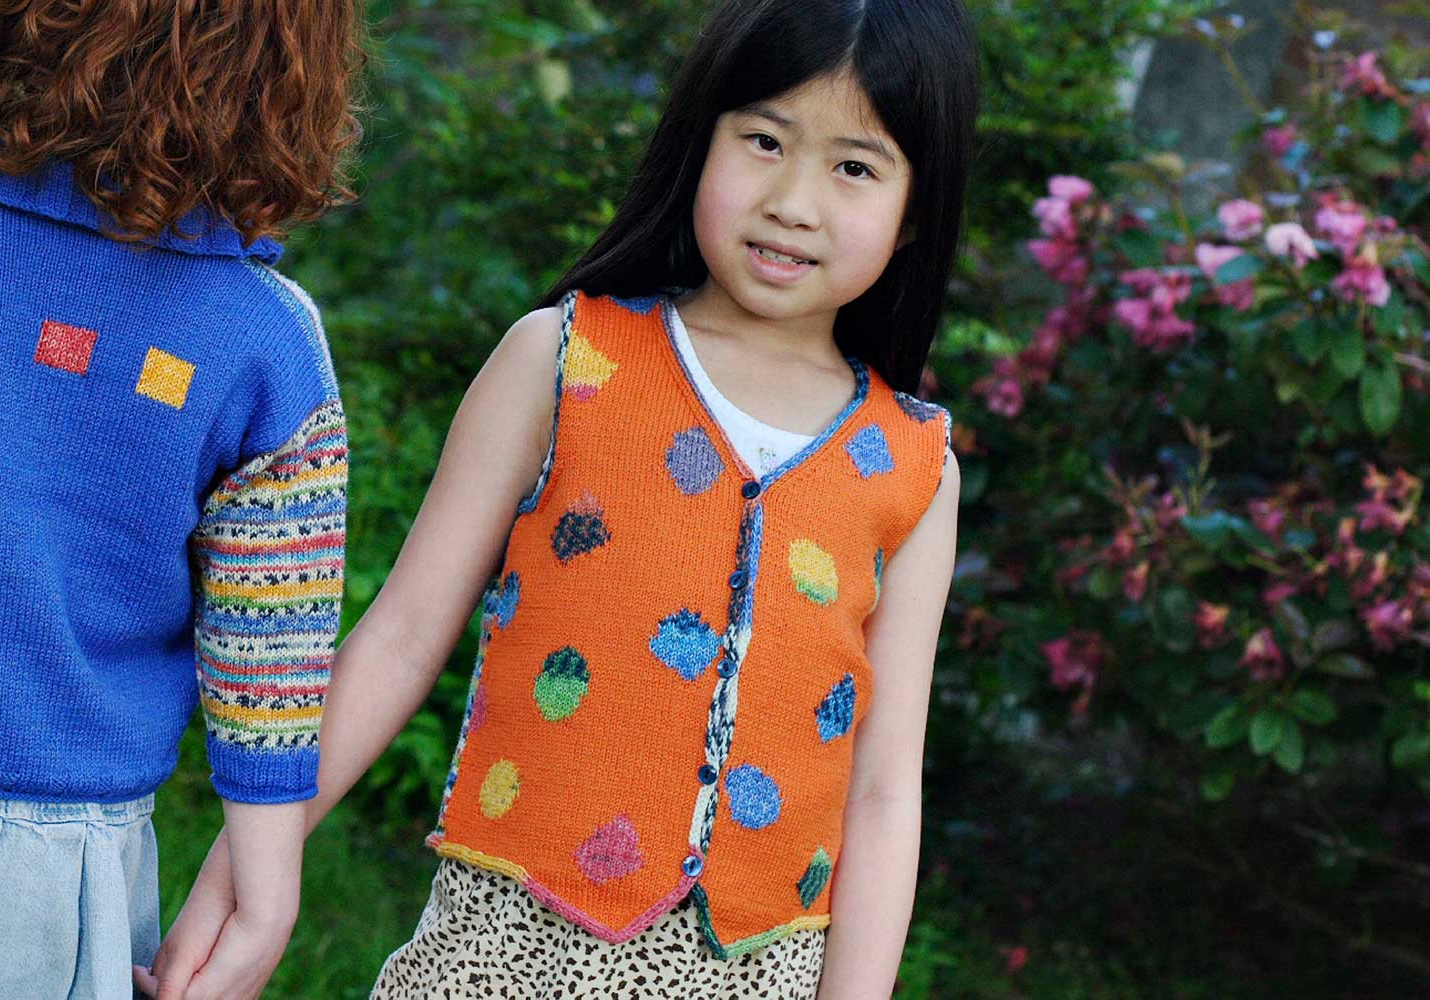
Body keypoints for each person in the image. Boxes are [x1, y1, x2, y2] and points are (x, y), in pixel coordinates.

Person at [155, 0, 977, 995]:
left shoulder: (915, 467)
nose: (794, 200)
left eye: (855, 165)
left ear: (916, 208)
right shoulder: (560, 359)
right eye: (765, 139)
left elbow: (886, 787)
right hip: (501, 951)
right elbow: (406, 633)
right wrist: (243, 876)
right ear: (698, 141)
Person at [0, 2, 363, 997]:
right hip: (40, 879)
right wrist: (264, 895)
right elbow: (269, 654)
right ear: (284, 59)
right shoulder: (262, 344)